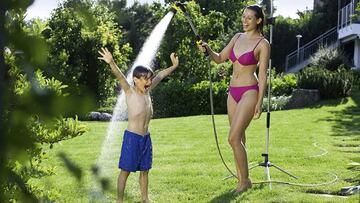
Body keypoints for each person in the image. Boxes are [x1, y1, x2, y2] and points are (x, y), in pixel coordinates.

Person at [198, 5, 270, 193]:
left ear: (258, 20)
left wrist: (260, 101)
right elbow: (220, 58)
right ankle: (242, 180)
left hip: (249, 92)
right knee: (240, 139)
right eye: (243, 17)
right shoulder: (237, 37)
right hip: (233, 93)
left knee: (233, 138)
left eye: (249, 18)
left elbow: (263, 76)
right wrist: (208, 49)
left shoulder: (263, 44)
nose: (245, 21)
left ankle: (244, 181)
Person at [98, 47, 179, 203]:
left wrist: (174, 66)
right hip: (132, 138)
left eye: (150, 79)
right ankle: (119, 200)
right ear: (136, 79)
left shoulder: (147, 91)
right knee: (125, 171)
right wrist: (111, 62)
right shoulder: (130, 92)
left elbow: (161, 75)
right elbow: (120, 77)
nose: (149, 82)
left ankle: (145, 198)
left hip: (145, 138)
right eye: (146, 79)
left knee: (145, 170)